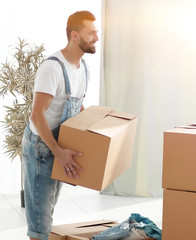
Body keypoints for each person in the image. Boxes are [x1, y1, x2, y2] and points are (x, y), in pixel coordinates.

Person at [22, 11, 99, 240]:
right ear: (75, 36)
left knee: (48, 211)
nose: (96, 38)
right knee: (39, 223)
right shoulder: (52, 69)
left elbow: (76, 108)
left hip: (59, 149)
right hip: (42, 149)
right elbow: (37, 116)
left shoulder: (82, 68)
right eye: (91, 33)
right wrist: (58, 152)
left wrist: (97, 125)